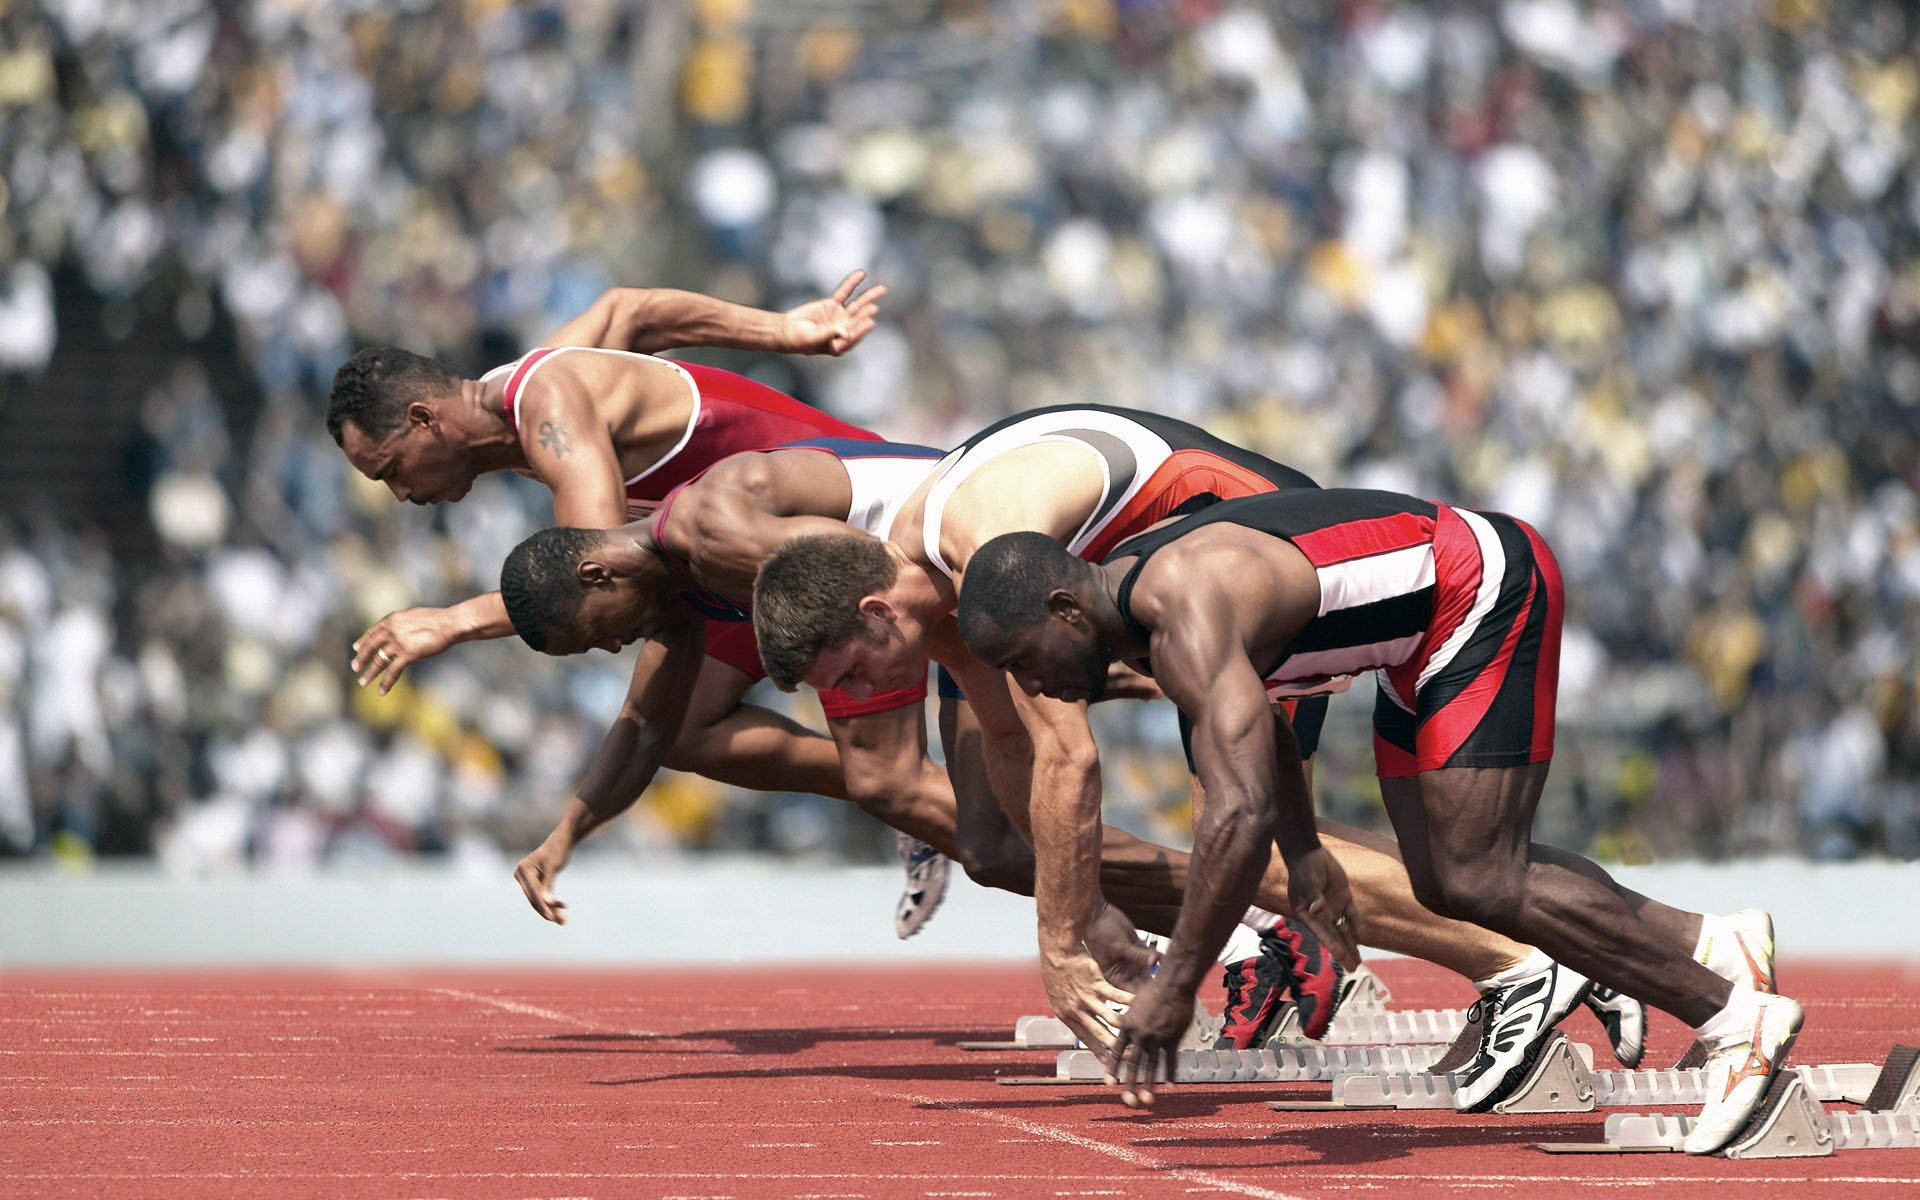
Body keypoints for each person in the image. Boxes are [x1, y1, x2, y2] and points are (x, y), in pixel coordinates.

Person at [748, 404, 1648, 1076]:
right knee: (998, 839)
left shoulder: (979, 550)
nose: (870, 698)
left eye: (857, 675)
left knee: (1243, 824)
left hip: (1260, 567)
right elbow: (1012, 743)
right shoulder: (940, 588)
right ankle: (1307, 943)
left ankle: (1534, 961)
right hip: (1163, 584)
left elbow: (1069, 757)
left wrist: (1062, 943)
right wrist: (1078, 904)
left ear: (874, 611)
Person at [951, 492, 1798, 1153]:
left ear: (1066, 609)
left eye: (1023, 661)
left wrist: (1178, 987)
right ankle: (1710, 942)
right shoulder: (1134, 618)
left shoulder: (1180, 609)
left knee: (1478, 876)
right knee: (1442, 879)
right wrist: (1308, 852)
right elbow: (1264, 726)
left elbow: (1236, 811)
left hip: (1477, 591)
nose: (1036, 687)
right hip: (1412, 638)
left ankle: (1734, 1019)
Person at [327, 272, 947, 936]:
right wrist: (784, 331)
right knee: (685, 730)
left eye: (391, 468)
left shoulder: (551, 408)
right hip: (736, 568)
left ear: (424, 420)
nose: (398, 493)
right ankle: (920, 804)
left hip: (834, 534)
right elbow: (633, 311)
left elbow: (587, 571)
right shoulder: (525, 388)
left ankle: (951, 821)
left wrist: (452, 621)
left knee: (891, 783)